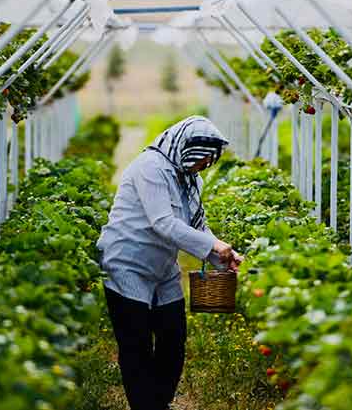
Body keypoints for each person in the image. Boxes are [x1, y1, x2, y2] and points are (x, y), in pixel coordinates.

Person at [96, 115, 243, 410]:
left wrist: (223, 256)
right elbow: (164, 223)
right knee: (136, 345)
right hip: (127, 263)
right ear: (189, 149)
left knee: (173, 341)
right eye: (203, 159)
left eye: (209, 161)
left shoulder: (190, 179)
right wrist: (213, 245)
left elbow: (197, 225)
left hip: (162, 268)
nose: (205, 166)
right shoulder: (150, 168)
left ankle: (158, 403)